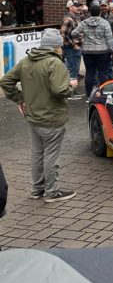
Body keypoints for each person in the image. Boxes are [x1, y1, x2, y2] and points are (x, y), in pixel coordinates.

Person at [0, 28, 78, 203]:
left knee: (37, 154)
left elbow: (5, 81)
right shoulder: (55, 63)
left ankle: (37, 189)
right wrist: (71, 85)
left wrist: (20, 99)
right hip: (52, 117)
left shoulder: (26, 61)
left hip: (33, 117)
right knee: (51, 155)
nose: (61, 49)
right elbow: (60, 90)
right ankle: (51, 192)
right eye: (60, 46)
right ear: (56, 47)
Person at [71, 4, 113, 98]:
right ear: (99, 13)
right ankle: (102, 94)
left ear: (90, 13)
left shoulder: (84, 22)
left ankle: (88, 95)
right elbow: (109, 39)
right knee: (102, 72)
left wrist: (82, 37)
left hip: (87, 51)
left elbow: (73, 33)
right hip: (102, 51)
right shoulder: (105, 23)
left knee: (89, 72)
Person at [60, 0, 84, 97]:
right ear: (70, 7)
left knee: (73, 69)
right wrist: (74, 46)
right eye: (76, 6)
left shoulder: (76, 18)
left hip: (75, 48)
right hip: (71, 49)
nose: (78, 8)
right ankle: (70, 92)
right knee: (73, 69)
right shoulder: (68, 20)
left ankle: (70, 90)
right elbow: (63, 36)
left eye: (79, 6)